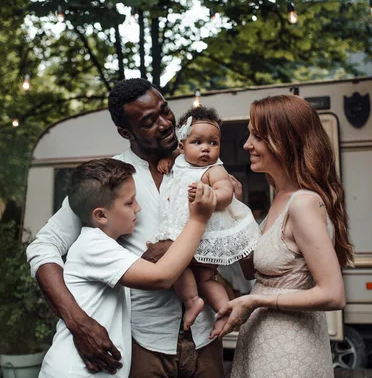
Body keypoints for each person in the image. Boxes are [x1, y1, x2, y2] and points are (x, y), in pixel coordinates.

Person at [26, 78, 225, 377]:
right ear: (125, 132)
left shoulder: (204, 166)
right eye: (148, 122)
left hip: (206, 335)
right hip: (143, 343)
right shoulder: (111, 181)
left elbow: (235, 233)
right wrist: (78, 321)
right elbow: (43, 247)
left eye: (165, 111)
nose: (165, 124)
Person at [214, 95, 355, 378]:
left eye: (257, 136)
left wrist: (255, 302)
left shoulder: (303, 203)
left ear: (284, 141)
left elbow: (333, 295)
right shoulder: (281, 197)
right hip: (265, 343)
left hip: (290, 349)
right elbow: (251, 271)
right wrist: (236, 212)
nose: (247, 145)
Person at [39, 158, 216, 377]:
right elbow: (162, 277)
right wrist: (199, 219)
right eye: (130, 202)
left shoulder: (104, 245)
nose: (138, 208)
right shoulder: (93, 245)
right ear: (101, 215)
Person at [153, 106, 259, 336]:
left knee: (206, 277)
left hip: (206, 234)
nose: (206, 149)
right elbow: (172, 162)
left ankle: (224, 311)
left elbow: (226, 193)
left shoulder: (214, 169)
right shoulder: (178, 161)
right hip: (182, 232)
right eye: (197, 142)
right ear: (181, 145)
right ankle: (193, 301)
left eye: (213, 143)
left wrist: (210, 197)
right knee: (176, 265)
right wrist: (165, 160)